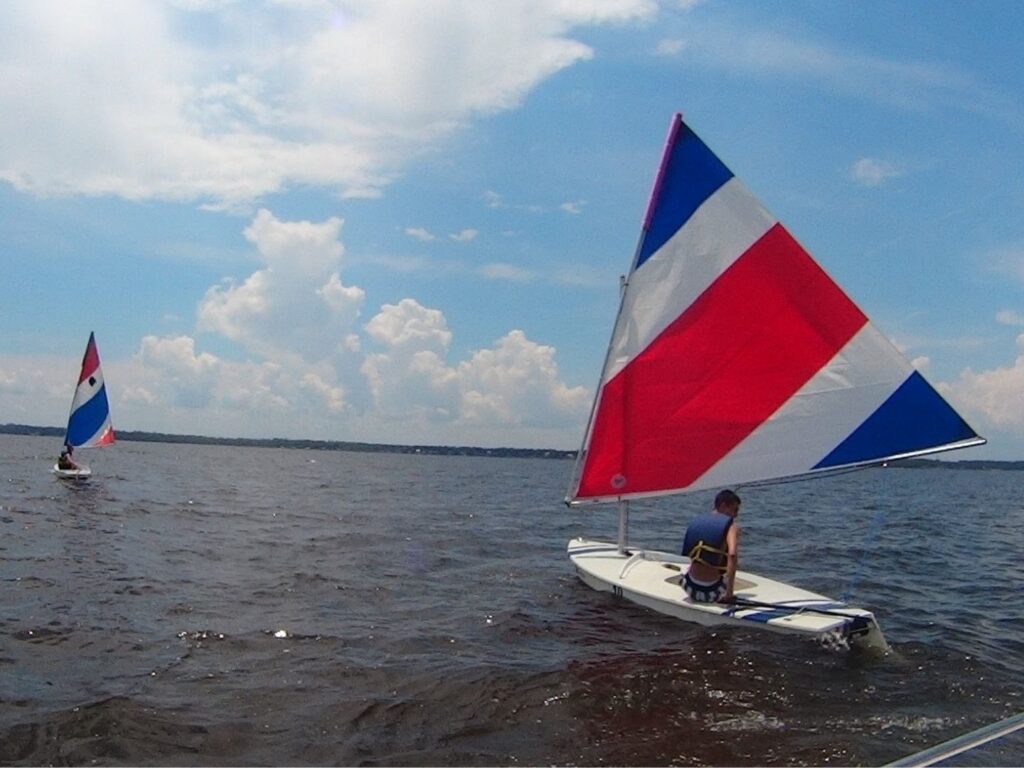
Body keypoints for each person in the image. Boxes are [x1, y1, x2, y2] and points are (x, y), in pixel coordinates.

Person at [680, 489, 741, 604]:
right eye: (735, 510)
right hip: (712, 592)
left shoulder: (697, 521)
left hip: (688, 586)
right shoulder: (732, 526)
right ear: (723, 506)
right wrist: (729, 594)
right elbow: (732, 555)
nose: (736, 515)